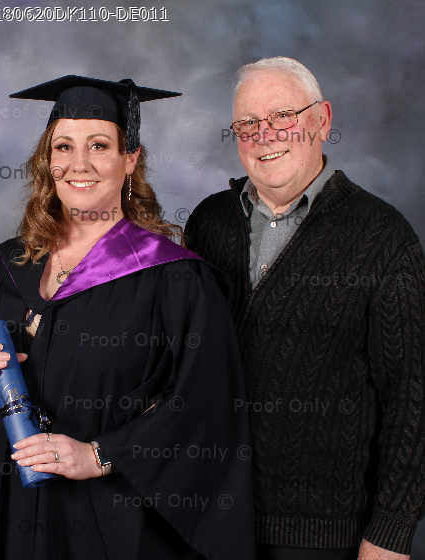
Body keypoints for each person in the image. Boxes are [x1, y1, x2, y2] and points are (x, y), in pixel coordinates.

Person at [0, 75, 255, 560]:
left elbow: (207, 406)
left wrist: (100, 455)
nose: (79, 164)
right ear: (48, 161)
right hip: (4, 515)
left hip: (106, 523)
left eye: (99, 146)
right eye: (63, 147)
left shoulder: (173, 279)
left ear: (130, 159)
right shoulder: (3, 266)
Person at [184, 57, 425, 560]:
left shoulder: (383, 237)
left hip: (325, 536)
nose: (264, 134)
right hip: (209, 517)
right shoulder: (208, 223)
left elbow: (413, 398)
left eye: (283, 116)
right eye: (247, 123)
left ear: (322, 119)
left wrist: (391, 532)